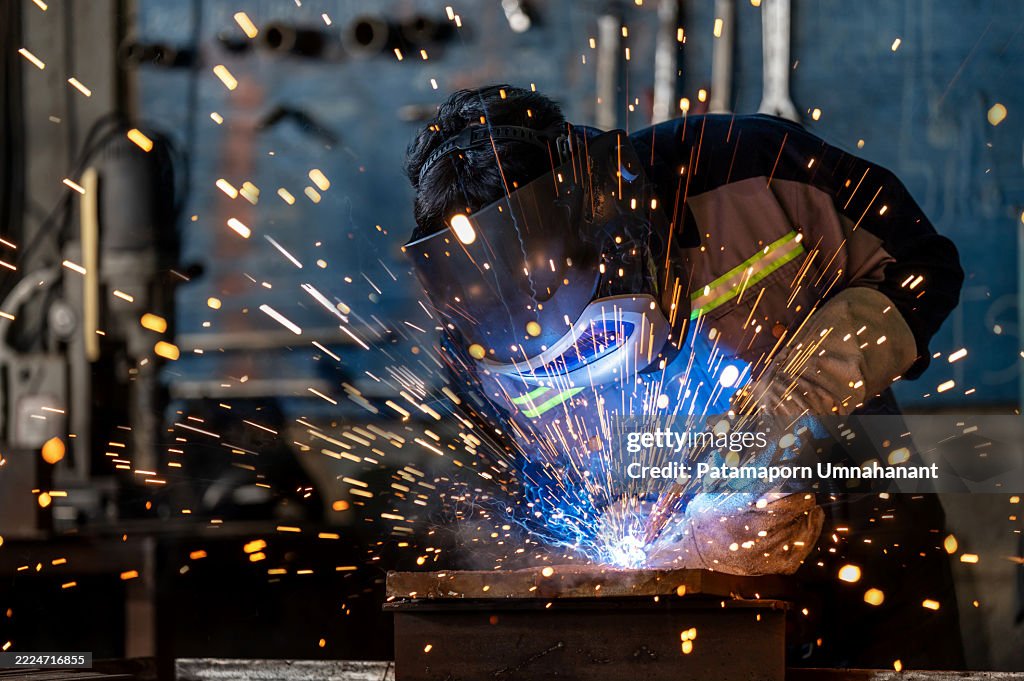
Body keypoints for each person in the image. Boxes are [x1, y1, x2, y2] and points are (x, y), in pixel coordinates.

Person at [403, 84, 965, 668]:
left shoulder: (746, 165)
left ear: (596, 203)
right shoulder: (468, 338)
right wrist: (618, 520)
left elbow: (921, 266)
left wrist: (788, 403)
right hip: (683, 590)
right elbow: (532, 490)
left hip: (864, 510)